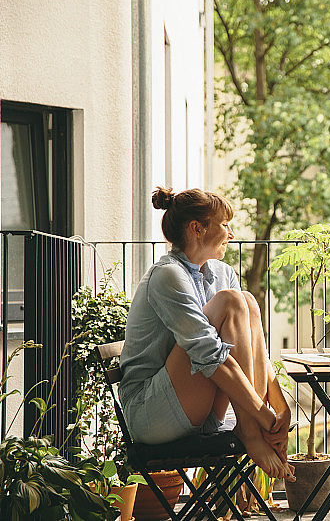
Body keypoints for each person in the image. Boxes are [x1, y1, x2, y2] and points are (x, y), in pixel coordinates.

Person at [119, 187, 294, 481]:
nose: (231, 234)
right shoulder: (167, 275)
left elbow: (251, 349)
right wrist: (264, 420)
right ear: (197, 228)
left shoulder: (222, 273)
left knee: (246, 301)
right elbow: (210, 356)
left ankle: (251, 427)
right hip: (152, 415)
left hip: (196, 407)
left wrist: (280, 409)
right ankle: (249, 431)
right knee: (232, 301)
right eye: (225, 225)